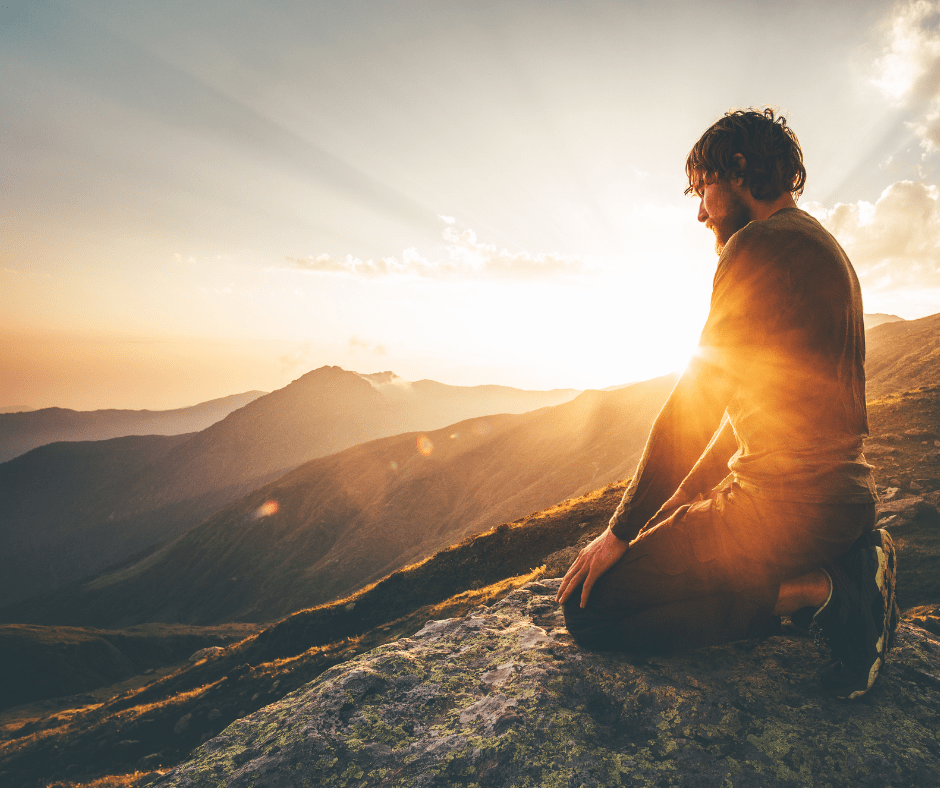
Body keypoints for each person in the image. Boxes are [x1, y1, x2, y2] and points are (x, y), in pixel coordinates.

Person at [556, 108, 898, 700]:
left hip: (779, 511)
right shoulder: (822, 245)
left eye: (701, 188)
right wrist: (686, 495)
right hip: (838, 503)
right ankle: (847, 561)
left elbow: (701, 394)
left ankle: (823, 590)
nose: (698, 211)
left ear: (737, 170)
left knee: (591, 611)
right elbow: (750, 402)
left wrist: (620, 532)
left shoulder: (757, 245)